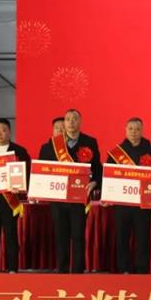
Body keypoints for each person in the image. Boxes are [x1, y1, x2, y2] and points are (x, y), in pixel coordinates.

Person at [38, 109, 102, 273]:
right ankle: (63, 270)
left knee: (78, 235)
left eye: (75, 119)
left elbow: (97, 168)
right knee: (61, 236)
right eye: (68, 119)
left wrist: (95, 182)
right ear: (64, 123)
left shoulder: (90, 142)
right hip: (58, 198)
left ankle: (78, 271)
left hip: (79, 197)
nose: (71, 122)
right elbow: (41, 172)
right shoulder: (50, 146)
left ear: (80, 122)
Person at [105, 117, 151, 274]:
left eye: (137, 129)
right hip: (122, 204)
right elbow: (108, 177)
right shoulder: (116, 153)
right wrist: (107, 194)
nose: (134, 132)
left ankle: (142, 270)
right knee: (122, 238)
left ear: (142, 131)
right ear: (125, 130)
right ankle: (124, 268)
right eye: (131, 129)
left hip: (142, 204)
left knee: (142, 238)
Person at [0, 118, 31, 274]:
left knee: (11, 237)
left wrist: (21, 187)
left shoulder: (19, 151)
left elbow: (27, 173)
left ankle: (12, 268)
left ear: (9, 132)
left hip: (10, 203)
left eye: (3, 130)